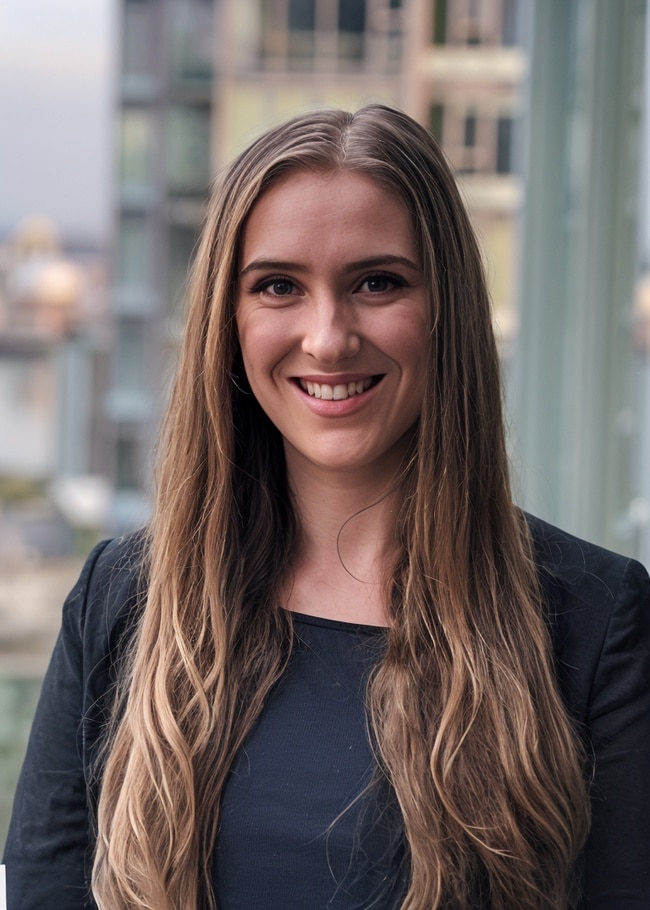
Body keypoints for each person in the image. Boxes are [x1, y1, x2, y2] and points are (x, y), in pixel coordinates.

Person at [3, 105, 649, 910]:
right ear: (228, 322)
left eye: (377, 282)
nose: (327, 337)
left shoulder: (592, 620)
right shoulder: (123, 598)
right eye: (278, 285)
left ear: (445, 308)